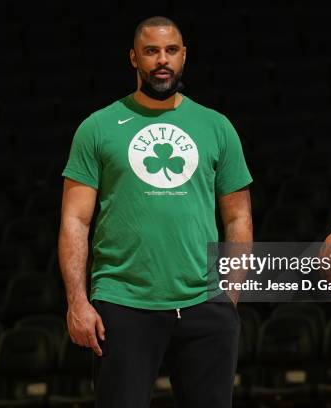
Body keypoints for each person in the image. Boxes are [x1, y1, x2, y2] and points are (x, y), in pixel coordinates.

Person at [58, 16, 253, 408]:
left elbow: (238, 217)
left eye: (170, 51)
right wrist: (77, 301)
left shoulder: (216, 126)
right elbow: (75, 221)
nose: (161, 60)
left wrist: (230, 296)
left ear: (184, 56)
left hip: (204, 305)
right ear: (134, 58)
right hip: (123, 303)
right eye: (151, 51)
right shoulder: (97, 127)